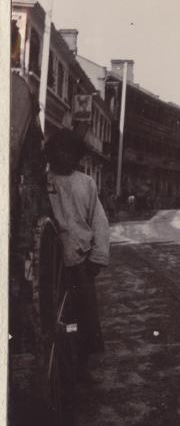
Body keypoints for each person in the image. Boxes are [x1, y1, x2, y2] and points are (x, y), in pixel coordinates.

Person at [45, 129, 110, 383]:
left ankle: (80, 366)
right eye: (59, 150)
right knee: (60, 318)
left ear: (77, 156)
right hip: (52, 264)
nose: (65, 156)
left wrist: (98, 256)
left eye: (70, 152)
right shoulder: (44, 182)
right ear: (51, 153)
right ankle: (59, 365)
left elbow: (99, 222)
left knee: (81, 316)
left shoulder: (86, 183)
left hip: (80, 263)